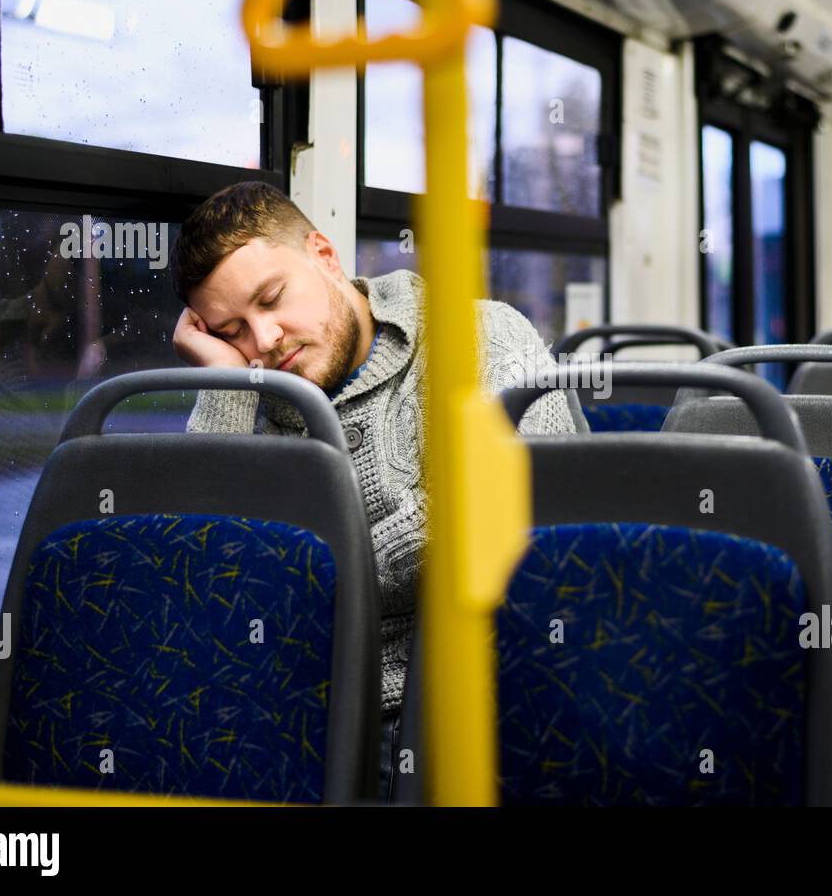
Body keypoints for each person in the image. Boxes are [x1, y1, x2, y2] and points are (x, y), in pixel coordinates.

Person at [169, 181, 578, 800]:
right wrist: (226, 388)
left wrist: (312, 565)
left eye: (273, 298)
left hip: (476, 699)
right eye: (233, 331)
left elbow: (527, 536)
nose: (266, 339)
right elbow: (201, 582)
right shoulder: (250, 395)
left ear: (325, 255)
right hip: (297, 703)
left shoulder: (481, 339)